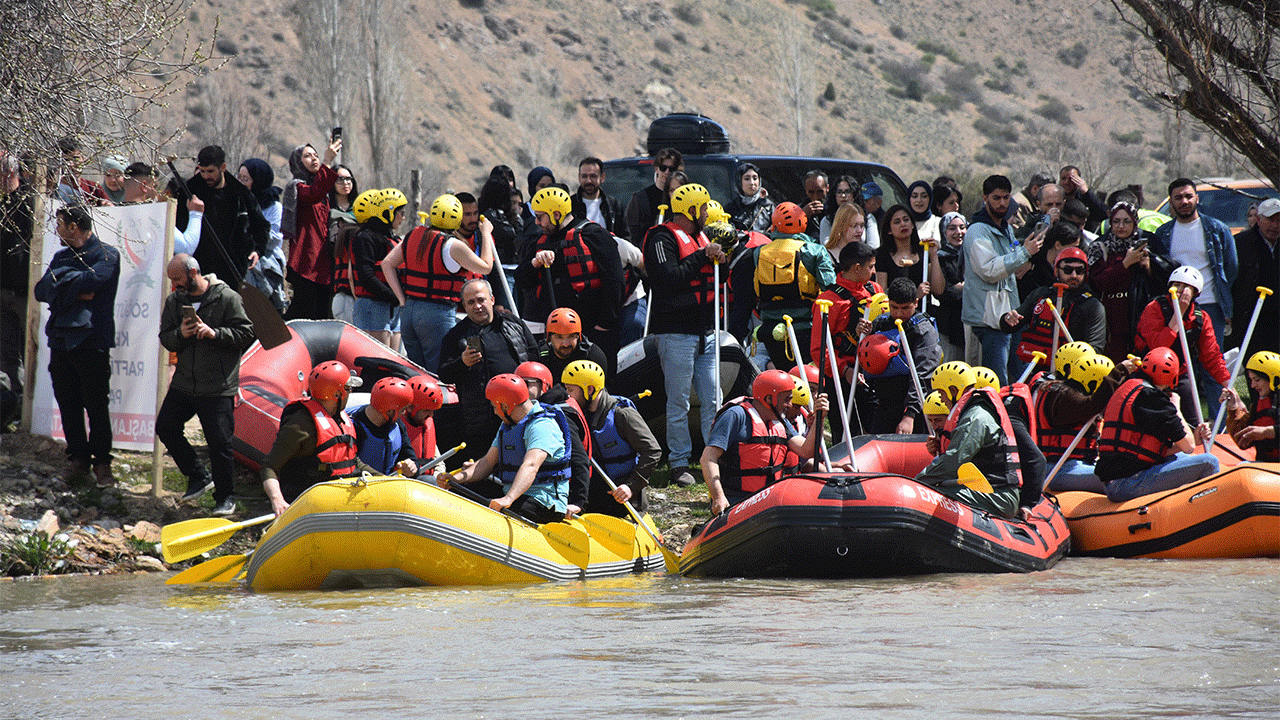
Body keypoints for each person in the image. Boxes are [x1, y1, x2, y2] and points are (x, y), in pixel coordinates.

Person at [156, 254, 254, 515]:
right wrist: (181, 334)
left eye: (178, 279)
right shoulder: (175, 301)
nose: (175, 285)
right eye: (172, 281)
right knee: (166, 427)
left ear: (193, 272)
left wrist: (215, 333)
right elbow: (166, 337)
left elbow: (245, 333)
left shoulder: (227, 298)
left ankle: (225, 498)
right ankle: (198, 475)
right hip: (185, 383)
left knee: (219, 443)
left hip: (217, 385)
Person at [643, 183, 726, 488]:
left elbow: (720, 276)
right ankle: (679, 462)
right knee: (678, 402)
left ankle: (713, 458)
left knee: (713, 399)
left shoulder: (702, 237)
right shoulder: (661, 238)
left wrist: (721, 257)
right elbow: (668, 279)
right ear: (692, 209)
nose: (707, 213)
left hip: (706, 330)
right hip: (675, 332)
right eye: (704, 208)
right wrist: (703, 256)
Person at [34, 205, 121, 486]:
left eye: (59, 224)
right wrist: (72, 288)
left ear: (73, 227)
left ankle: (102, 463)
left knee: (96, 405)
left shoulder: (107, 255)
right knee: (68, 402)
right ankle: (78, 459)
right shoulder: (61, 257)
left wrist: (60, 285)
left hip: (91, 340)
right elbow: (40, 290)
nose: (56, 230)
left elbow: (93, 279)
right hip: (61, 341)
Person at [435, 373, 573, 523]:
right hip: (516, 495)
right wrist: (456, 479)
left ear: (506, 406)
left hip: (543, 502)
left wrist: (508, 498)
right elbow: (487, 462)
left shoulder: (542, 427)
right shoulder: (509, 424)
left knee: (491, 513)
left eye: (495, 407)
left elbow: (531, 465)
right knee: (461, 493)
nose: (494, 412)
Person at [384, 194, 495, 372]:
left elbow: (387, 264)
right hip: (436, 314)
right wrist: (486, 234)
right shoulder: (453, 245)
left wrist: (402, 300)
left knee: (416, 371)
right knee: (440, 371)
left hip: (409, 311)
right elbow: (486, 267)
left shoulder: (414, 235)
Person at [1096, 347, 1218, 502]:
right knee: (1209, 462)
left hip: (1115, 482)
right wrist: (1175, 409)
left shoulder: (1129, 387)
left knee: (1178, 456)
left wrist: (1195, 438)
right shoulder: (1154, 399)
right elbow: (1189, 446)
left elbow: (1151, 450)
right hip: (1128, 484)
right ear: (1172, 377)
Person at [437, 279, 540, 463]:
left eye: (481, 300)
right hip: (480, 422)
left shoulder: (514, 324)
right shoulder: (455, 336)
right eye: (470, 302)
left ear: (492, 299)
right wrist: (463, 362)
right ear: (464, 306)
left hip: (520, 414)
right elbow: (444, 374)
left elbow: (534, 357)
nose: (477, 306)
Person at [701, 369, 828, 514]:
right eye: (787, 399)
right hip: (737, 499)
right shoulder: (735, 416)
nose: (790, 405)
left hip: (768, 499)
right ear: (769, 399)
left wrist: (820, 420)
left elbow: (806, 450)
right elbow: (708, 458)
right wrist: (718, 497)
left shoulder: (780, 420)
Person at [262, 361, 376, 515]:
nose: (350, 393)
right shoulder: (301, 423)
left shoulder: (341, 418)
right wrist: (277, 500)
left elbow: (352, 462)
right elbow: (269, 466)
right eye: (348, 389)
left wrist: (386, 480)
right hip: (308, 503)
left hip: (339, 500)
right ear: (337, 394)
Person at [518, 186, 624, 352]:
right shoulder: (540, 241)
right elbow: (521, 279)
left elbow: (615, 281)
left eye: (540, 217)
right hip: (558, 335)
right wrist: (535, 263)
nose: (537, 223)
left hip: (593, 329)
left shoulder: (594, 235)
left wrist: (604, 325)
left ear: (556, 215)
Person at [914, 361, 1024, 518]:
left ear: (953, 390)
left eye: (942, 393)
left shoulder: (975, 417)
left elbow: (952, 462)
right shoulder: (974, 411)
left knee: (930, 493)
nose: (942, 400)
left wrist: (916, 482)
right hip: (989, 489)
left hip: (1000, 496)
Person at [962, 175, 1041, 386]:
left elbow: (1005, 265)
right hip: (988, 320)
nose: (1002, 203)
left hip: (1008, 316)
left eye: (1006, 197)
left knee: (1018, 378)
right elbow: (989, 269)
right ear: (984, 198)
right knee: (996, 382)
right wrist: (1024, 254)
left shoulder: (1004, 228)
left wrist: (1022, 260)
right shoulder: (977, 231)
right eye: (996, 198)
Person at [561, 360, 661, 517]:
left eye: (571, 390)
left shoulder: (622, 414)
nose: (568, 396)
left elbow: (652, 450)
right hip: (595, 495)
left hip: (624, 496)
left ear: (590, 389)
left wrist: (631, 486)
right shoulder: (578, 415)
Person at [1151, 178, 1238, 354]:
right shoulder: (1163, 233)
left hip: (1210, 304)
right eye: (1178, 197)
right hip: (1175, 307)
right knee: (1181, 362)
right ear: (1171, 202)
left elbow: (1232, 267)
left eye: (1189, 196)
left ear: (1197, 198)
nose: (1184, 201)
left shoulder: (1217, 229)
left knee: (1212, 362)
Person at [744, 201, 836, 365]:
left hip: (771, 329)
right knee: (806, 378)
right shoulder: (813, 251)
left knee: (783, 376)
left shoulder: (759, 252)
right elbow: (830, 287)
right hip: (805, 328)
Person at [1135, 266, 1230, 420]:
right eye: (1176, 285)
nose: (1179, 290)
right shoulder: (1153, 309)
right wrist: (1177, 315)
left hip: (1179, 375)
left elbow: (1212, 357)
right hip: (1149, 372)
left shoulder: (1201, 318)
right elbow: (1158, 348)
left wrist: (1228, 385)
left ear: (1195, 293)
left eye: (1186, 287)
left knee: (1193, 418)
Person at [1034, 352, 1128, 493]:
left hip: (1070, 466)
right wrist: (1118, 372)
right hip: (1057, 469)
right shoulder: (1065, 399)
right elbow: (1093, 404)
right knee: (1121, 478)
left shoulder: (1060, 391)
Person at [1000, 245, 1106, 370]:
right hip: (1035, 368)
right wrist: (1008, 318)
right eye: (1067, 270)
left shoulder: (1092, 306)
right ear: (1056, 271)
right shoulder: (1040, 295)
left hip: (1070, 372)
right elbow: (1008, 326)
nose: (1074, 275)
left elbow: (1095, 349)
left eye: (1079, 271)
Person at [1088, 200, 1169, 362]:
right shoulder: (1100, 246)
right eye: (1116, 221)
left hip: (1139, 312)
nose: (1121, 226)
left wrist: (1148, 267)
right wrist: (1125, 263)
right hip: (1111, 316)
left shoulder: (1146, 243)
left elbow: (1162, 282)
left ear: (1135, 223)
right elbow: (1098, 281)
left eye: (1127, 221)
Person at [862, 277, 941, 434]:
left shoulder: (923, 331)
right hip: (883, 404)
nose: (898, 314)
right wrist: (863, 334)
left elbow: (922, 376)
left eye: (905, 308)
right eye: (894, 307)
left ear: (916, 303)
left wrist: (909, 415)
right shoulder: (880, 323)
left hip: (912, 406)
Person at [183, 145, 270, 288]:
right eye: (203, 171)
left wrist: (257, 250)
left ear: (223, 167)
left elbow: (261, 226)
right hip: (197, 268)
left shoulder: (241, 193)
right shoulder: (190, 191)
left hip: (232, 269)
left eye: (211, 171)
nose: (206, 176)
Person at [281, 139, 342, 320]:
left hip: (323, 262)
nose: (314, 159)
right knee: (303, 313)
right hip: (306, 262)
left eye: (316, 155)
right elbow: (314, 193)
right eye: (307, 156)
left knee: (322, 314)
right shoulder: (297, 188)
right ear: (298, 163)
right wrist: (328, 161)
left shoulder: (323, 193)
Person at [345, 188, 406, 348]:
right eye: (400, 213)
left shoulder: (390, 238)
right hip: (373, 307)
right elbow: (367, 277)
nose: (403, 217)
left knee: (394, 362)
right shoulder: (364, 238)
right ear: (388, 212)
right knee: (377, 363)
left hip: (393, 308)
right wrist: (396, 297)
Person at [1, 153, 34, 428]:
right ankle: (11, 408)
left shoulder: (30, 201)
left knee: (29, 350)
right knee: (8, 355)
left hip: (24, 292)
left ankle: (28, 410)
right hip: (2, 291)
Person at [237, 158, 289, 313]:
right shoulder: (235, 200)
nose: (240, 182)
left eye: (245, 179)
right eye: (239, 177)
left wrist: (246, 232)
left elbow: (272, 238)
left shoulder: (273, 206)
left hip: (266, 259)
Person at [1230, 197, 1279, 356]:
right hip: (1250, 318)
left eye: (1279, 220)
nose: (1275, 225)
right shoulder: (1240, 244)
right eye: (1270, 219)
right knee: (1256, 368)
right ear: (1258, 219)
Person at [349, 377, 421, 476]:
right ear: (389, 411)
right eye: (402, 409)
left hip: (385, 484)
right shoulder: (352, 426)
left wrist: (412, 467)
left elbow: (409, 456)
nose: (404, 413)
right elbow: (349, 468)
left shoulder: (397, 425)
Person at [1220, 351, 1279, 462]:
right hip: (1267, 465)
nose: (1252, 385)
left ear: (1274, 378)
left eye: (1257, 380)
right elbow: (1243, 443)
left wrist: (1266, 432)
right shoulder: (1258, 404)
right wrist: (1234, 410)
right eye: (1251, 380)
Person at [928, 211, 967, 363]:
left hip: (973, 324)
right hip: (951, 326)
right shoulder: (941, 258)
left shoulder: (972, 254)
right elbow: (944, 293)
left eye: (962, 227)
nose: (958, 232)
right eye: (952, 228)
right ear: (944, 232)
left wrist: (961, 286)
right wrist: (967, 286)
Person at [538, 307, 609, 388]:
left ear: (579, 337)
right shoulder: (541, 356)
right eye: (559, 337)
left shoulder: (593, 356)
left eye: (571, 336)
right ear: (549, 338)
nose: (565, 344)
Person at [626, 148, 683, 242]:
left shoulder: (685, 196)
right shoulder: (641, 198)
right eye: (663, 168)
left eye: (671, 169)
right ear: (656, 168)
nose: (667, 172)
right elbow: (632, 232)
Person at [328, 165, 360, 322]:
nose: (345, 183)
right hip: (333, 266)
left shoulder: (360, 208)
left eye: (348, 178)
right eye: (340, 179)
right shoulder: (327, 207)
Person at [875, 204, 928, 297]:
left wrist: (934, 255)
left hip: (923, 310)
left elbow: (938, 290)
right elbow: (881, 295)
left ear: (912, 224)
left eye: (906, 220)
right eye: (897, 222)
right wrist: (915, 296)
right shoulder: (881, 255)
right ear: (889, 230)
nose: (903, 224)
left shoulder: (924, 251)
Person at [570, 156, 628, 239]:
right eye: (584, 176)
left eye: (593, 176)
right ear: (579, 177)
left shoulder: (613, 206)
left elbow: (625, 237)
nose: (588, 181)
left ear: (602, 177)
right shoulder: (570, 205)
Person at [727, 162, 774, 233]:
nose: (752, 183)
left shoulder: (768, 207)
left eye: (755, 178)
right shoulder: (730, 208)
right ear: (739, 182)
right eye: (747, 179)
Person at [818, 175, 859, 245]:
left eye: (847, 191)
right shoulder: (827, 220)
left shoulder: (867, 218)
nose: (843, 196)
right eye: (839, 192)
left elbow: (874, 246)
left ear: (854, 195)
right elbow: (826, 246)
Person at [801, 170, 828, 239]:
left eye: (819, 191)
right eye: (811, 192)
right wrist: (802, 217)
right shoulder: (799, 210)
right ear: (806, 191)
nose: (816, 197)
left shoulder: (835, 208)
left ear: (827, 188)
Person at [861, 182, 884, 249]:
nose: (862, 203)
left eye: (866, 201)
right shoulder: (860, 216)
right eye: (861, 200)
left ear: (878, 203)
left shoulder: (885, 221)